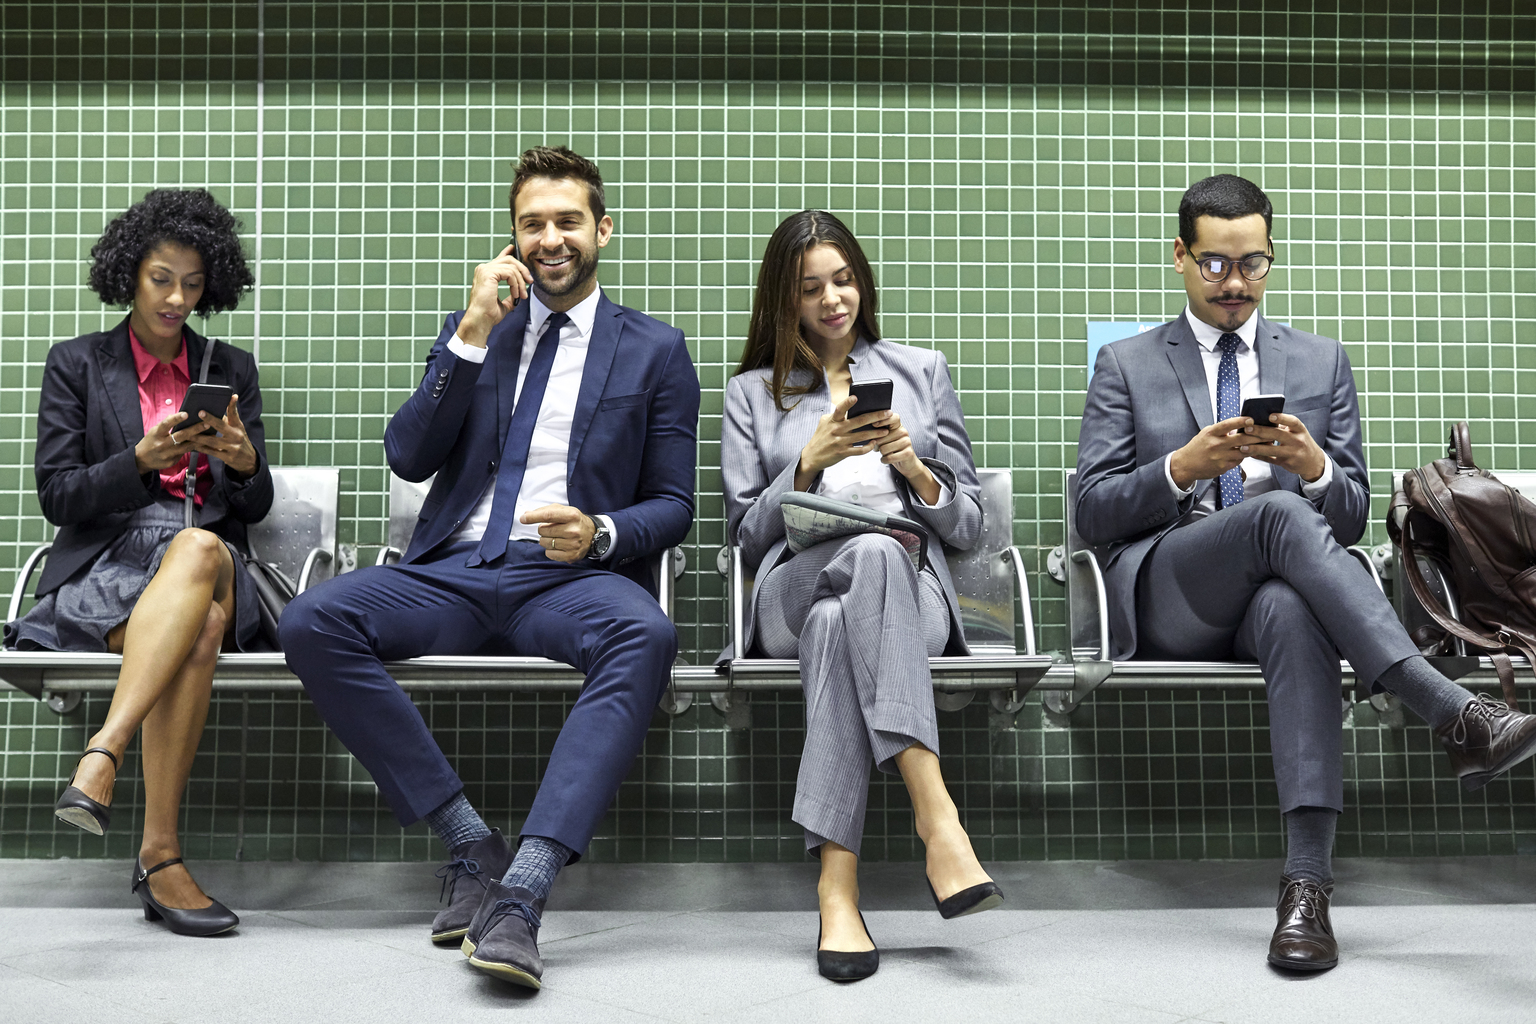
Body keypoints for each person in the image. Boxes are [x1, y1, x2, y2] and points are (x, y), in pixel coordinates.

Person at [1075, 173, 1536, 971]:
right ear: (1180, 257)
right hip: (1170, 591)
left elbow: (1352, 513)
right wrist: (1182, 467)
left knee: (1292, 599)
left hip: (1274, 594)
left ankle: (1306, 889)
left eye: (1252, 264)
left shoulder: (1321, 362)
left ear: (1270, 258)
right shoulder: (1127, 363)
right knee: (1280, 517)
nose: (1234, 283)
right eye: (1216, 264)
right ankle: (1451, 711)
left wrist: (1317, 467)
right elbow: (1094, 510)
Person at [281, 146, 699, 990]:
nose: (551, 238)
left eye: (568, 221)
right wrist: (469, 336)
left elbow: (673, 502)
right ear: (512, 239)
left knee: (647, 635)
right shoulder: (479, 335)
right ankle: (470, 842)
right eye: (532, 224)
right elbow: (406, 456)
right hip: (456, 571)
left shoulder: (654, 349)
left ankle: (522, 895)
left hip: (567, 581)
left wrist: (603, 534)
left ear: (602, 231)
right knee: (311, 619)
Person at [720, 210, 1003, 983]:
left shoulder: (922, 371)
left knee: (851, 602)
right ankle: (935, 816)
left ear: (862, 281)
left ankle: (837, 890)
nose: (832, 300)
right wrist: (804, 467)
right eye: (810, 288)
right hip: (792, 584)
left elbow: (970, 525)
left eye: (843, 280)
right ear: (785, 300)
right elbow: (744, 538)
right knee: (860, 563)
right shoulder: (752, 394)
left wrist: (914, 468)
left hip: (913, 594)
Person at [10, 188, 271, 936]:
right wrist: (137, 460)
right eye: (162, 278)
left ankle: (104, 753)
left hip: (209, 549)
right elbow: (59, 497)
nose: (177, 298)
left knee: (197, 553)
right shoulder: (77, 365)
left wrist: (246, 463)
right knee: (199, 628)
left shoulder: (230, 368)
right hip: (112, 567)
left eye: (193, 283)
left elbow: (250, 510)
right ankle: (160, 857)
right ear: (130, 273)